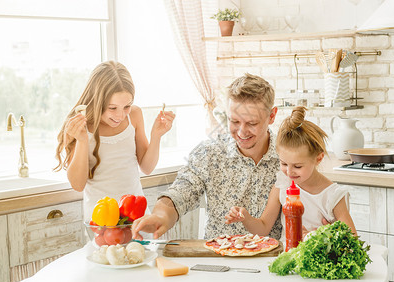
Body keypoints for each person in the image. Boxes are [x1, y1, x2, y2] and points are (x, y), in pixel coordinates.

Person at [131, 73, 282, 240]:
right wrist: (161, 215)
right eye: (234, 121)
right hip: (218, 260)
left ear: (272, 116)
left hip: (272, 260)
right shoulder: (209, 153)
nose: (241, 132)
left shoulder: (289, 158)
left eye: (252, 123)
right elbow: (180, 192)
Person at [54, 61, 175, 221]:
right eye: (112, 108)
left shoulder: (135, 116)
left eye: (127, 106)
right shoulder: (80, 125)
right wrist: (82, 141)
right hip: (101, 221)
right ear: (97, 101)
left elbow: (147, 167)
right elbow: (78, 185)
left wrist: (156, 136)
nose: (120, 115)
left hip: (137, 216)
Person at [225, 106, 357, 242]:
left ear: (318, 158)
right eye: (284, 164)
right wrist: (246, 218)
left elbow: (352, 240)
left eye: (297, 166)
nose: (289, 172)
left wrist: (322, 236)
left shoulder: (332, 195)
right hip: (286, 257)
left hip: (319, 260)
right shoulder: (283, 185)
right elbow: (263, 228)